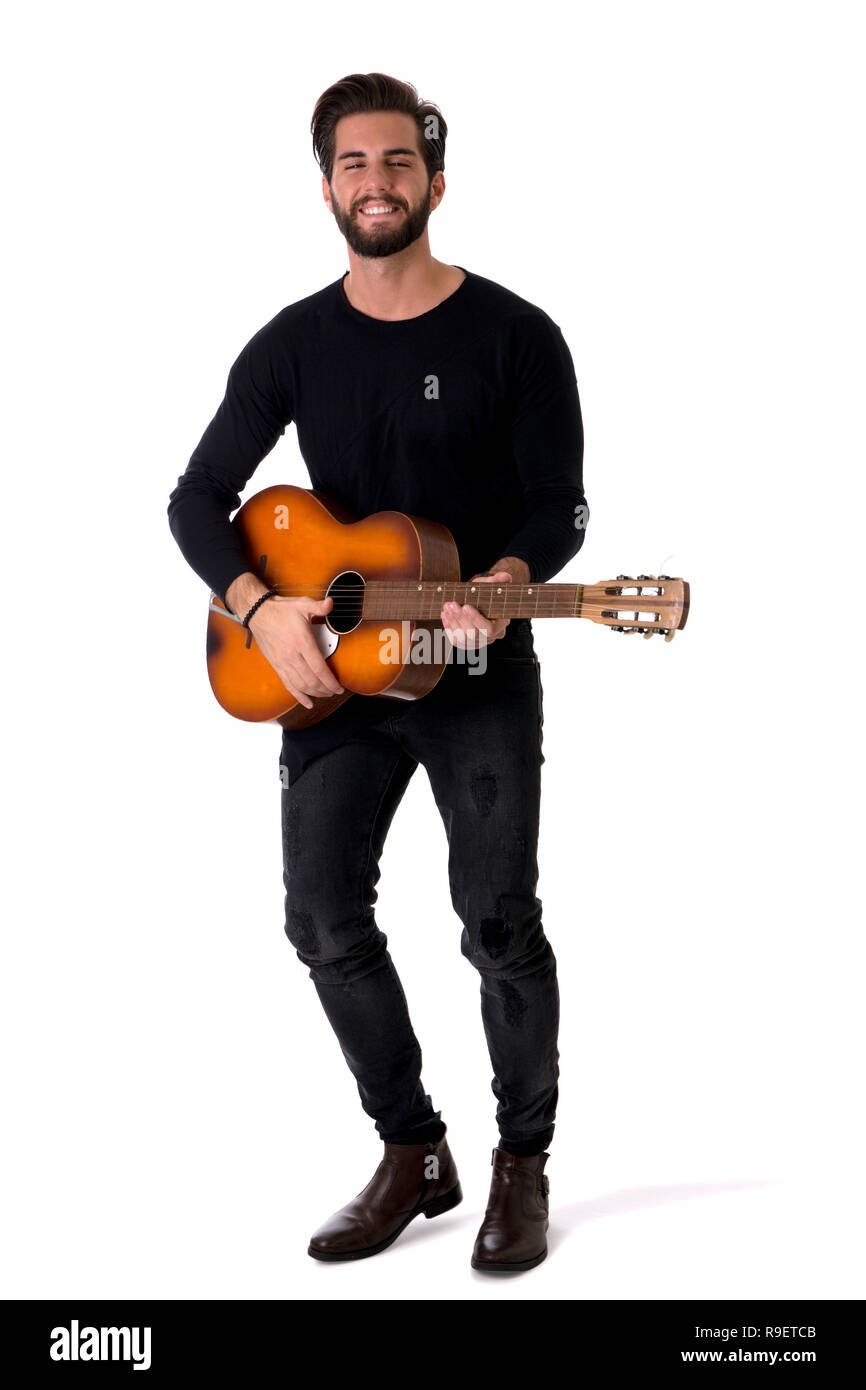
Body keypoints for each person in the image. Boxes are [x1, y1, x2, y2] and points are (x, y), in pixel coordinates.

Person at [168, 72, 587, 1272]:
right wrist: (260, 607)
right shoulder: (292, 343)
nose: (375, 181)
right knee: (318, 917)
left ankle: (521, 1161)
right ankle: (414, 1151)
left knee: (497, 923)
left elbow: (556, 506)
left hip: (473, 668)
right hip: (337, 680)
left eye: (396, 161)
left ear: (434, 180)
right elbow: (197, 500)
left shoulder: (515, 334)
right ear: (325, 187)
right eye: (353, 163)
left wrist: (504, 573)